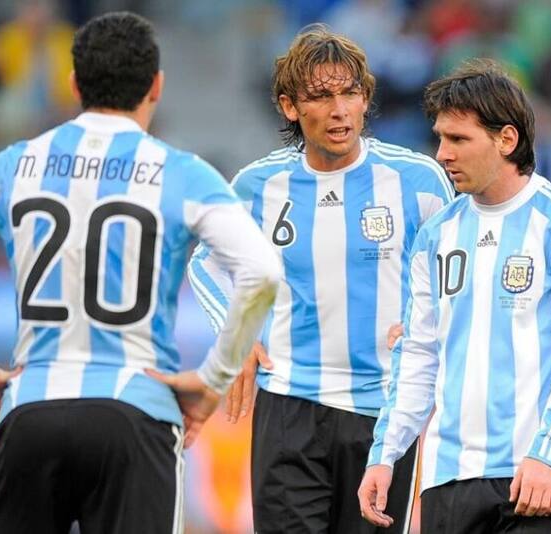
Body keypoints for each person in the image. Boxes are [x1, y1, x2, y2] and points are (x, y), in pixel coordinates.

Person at [0, 11, 281, 534]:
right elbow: (259, 270)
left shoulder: (18, 162)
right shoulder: (182, 172)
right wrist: (213, 379)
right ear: (157, 86)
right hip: (136, 411)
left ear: (74, 83)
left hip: (30, 407)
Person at [187, 24, 454, 533]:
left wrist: (433, 325)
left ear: (366, 98)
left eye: (350, 93)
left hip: (384, 410)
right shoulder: (259, 186)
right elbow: (206, 264)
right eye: (322, 96)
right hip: (289, 403)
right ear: (290, 107)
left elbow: (457, 271)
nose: (339, 110)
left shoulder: (418, 181)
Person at [359, 59, 551, 533]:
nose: (442, 154)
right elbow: (418, 354)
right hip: (448, 478)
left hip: (534, 475)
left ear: (506, 140)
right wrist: (384, 455)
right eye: (440, 138)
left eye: (458, 139)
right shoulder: (435, 235)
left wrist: (547, 453)